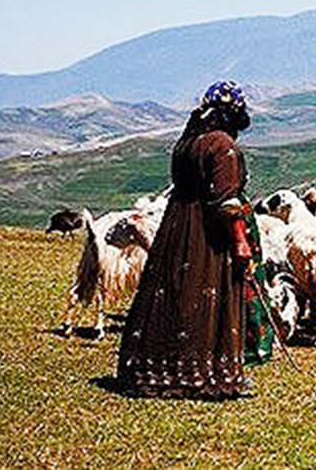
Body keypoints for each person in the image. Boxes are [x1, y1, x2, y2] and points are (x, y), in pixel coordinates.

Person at [117, 80, 272, 399]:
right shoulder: (222, 145)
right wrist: (241, 242)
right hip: (208, 233)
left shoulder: (187, 143)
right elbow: (227, 200)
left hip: (178, 227)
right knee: (208, 295)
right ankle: (208, 375)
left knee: (175, 292)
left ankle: (156, 369)